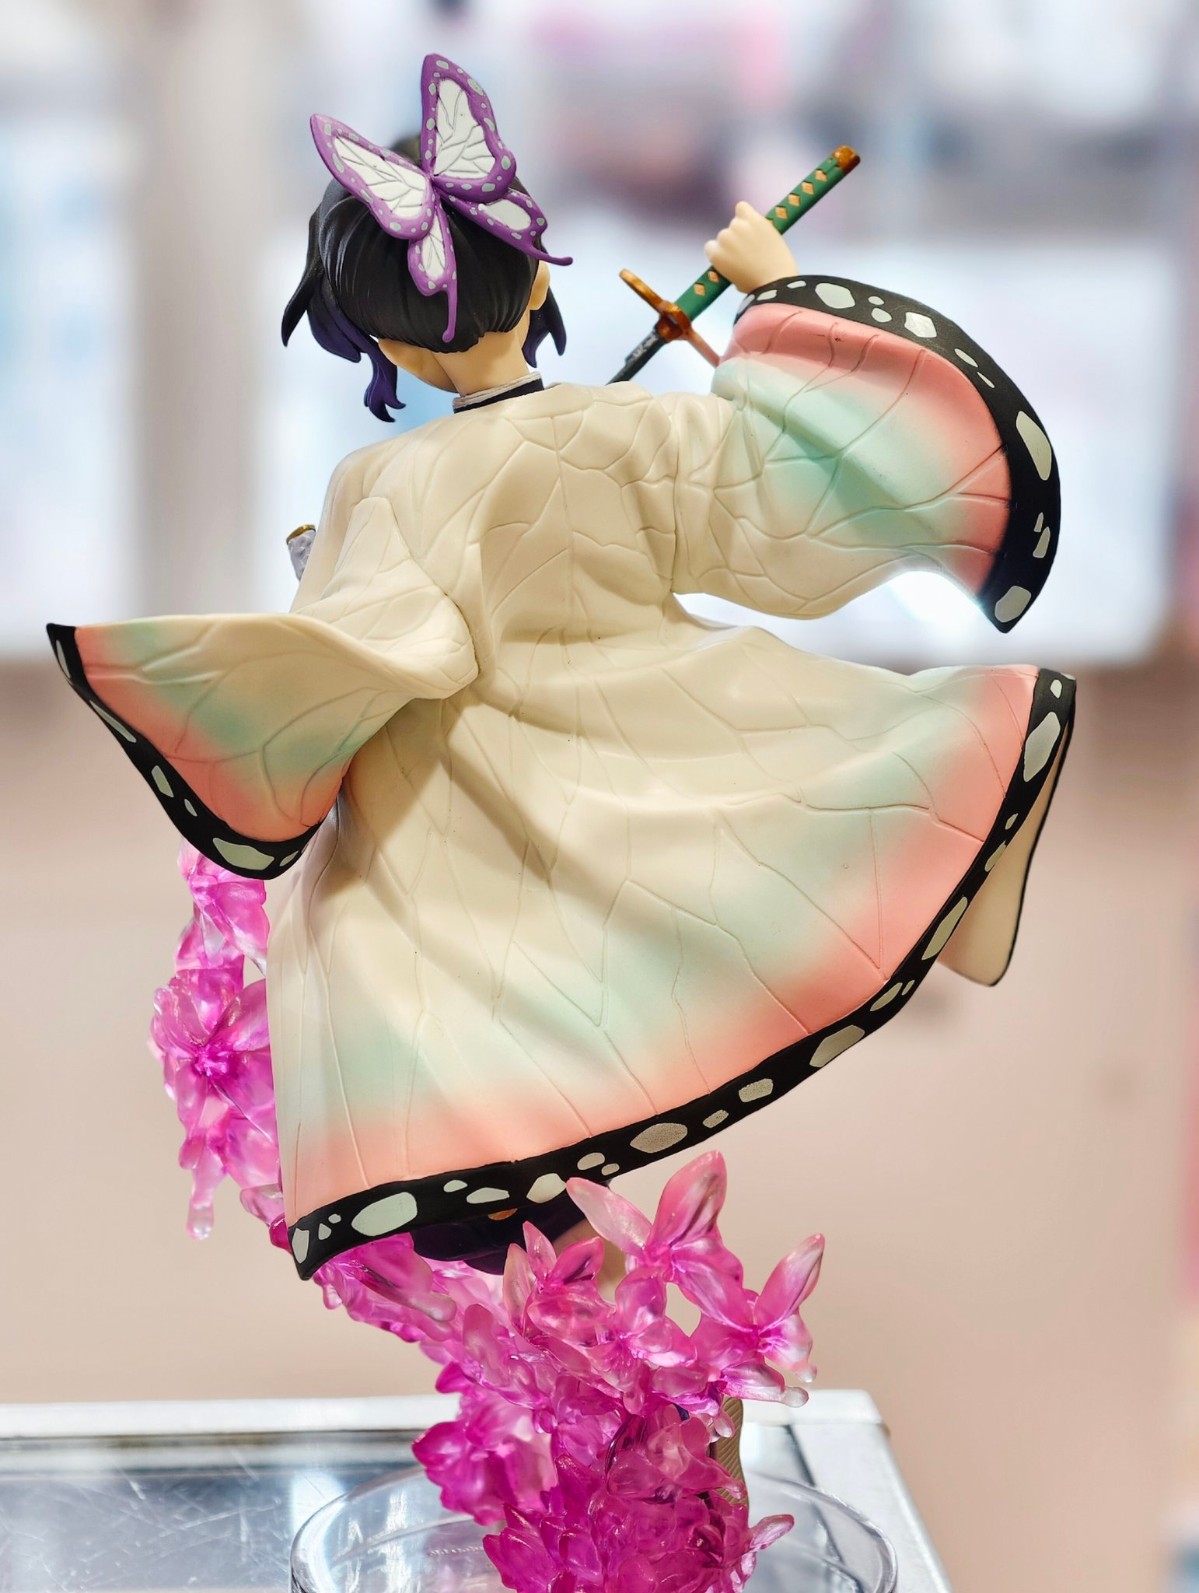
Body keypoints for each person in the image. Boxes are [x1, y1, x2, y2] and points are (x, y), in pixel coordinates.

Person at [49, 54, 1072, 1284]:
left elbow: (378, 642)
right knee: (553, 1087)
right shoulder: (623, 426)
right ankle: (978, 796)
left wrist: (260, 637)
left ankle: (598, 1330)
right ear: (538, 274)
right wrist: (776, 292)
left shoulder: (385, 481)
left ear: (385, 344)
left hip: (494, 811)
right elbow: (788, 490)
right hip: (633, 753)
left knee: (424, 1071)